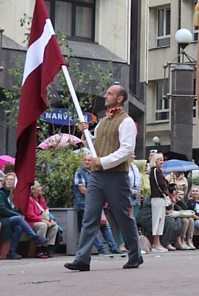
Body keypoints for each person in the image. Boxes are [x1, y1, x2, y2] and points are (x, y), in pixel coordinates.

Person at [65, 85, 142, 272]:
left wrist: (102, 161)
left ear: (120, 99)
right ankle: (82, 259)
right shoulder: (103, 121)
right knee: (90, 216)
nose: (105, 96)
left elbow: (127, 150)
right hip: (98, 176)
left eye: (110, 93)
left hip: (116, 176)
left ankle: (135, 255)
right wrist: (85, 133)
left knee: (123, 216)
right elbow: (94, 144)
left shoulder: (127, 122)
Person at [73, 153, 124, 255]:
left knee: (104, 225)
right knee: (91, 227)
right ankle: (102, 249)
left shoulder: (93, 173)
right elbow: (83, 190)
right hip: (84, 205)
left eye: (89, 160)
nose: (87, 162)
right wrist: (98, 198)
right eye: (85, 160)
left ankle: (113, 247)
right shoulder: (79, 173)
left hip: (96, 204)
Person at [0, 173, 49, 259]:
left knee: (18, 227)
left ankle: (12, 252)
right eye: (7, 179)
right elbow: (1, 209)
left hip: (11, 219)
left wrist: (18, 212)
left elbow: (17, 209)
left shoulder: (14, 195)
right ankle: (35, 237)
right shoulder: (1, 193)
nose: (9, 181)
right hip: (1, 219)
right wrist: (17, 214)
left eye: (11, 180)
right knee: (18, 218)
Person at [25, 181, 58, 258]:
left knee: (54, 227)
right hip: (32, 222)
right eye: (39, 186)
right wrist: (43, 221)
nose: (41, 188)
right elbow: (30, 215)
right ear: (33, 190)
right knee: (43, 225)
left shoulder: (41, 199)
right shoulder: (29, 199)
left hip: (43, 219)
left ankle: (46, 247)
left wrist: (51, 220)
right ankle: (38, 248)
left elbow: (46, 211)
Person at [148, 152, 170, 252]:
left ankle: (157, 243)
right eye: (160, 160)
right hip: (157, 198)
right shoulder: (156, 171)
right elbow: (161, 184)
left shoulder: (156, 171)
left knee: (160, 220)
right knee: (157, 220)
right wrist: (168, 192)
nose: (162, 161)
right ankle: (155, 244)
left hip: (159, 198)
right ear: (155, 161)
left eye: (162, 160)